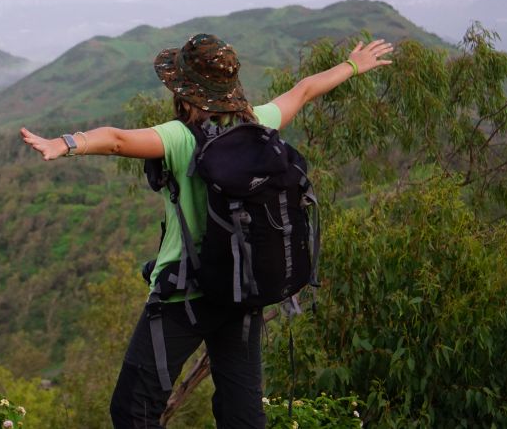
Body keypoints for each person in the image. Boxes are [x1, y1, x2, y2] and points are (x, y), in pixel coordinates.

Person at [20, 33, 394, 428]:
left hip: (186, 295)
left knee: (134, 409)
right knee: (242, 413)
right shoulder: (259, 123)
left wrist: (64, 143)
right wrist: (354, 65)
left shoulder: (180, 138)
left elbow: (115, 140)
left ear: (184, 93)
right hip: (243, 290)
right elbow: (303, 91)